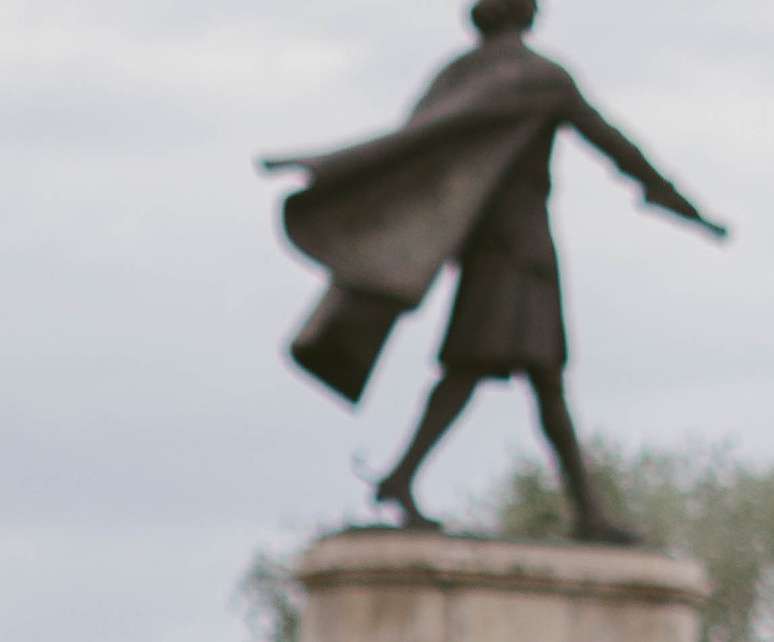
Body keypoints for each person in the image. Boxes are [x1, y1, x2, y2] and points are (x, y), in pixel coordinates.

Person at [264, 0, 725, 543]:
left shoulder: (458, 74)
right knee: (533, 373)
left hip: (483, 244)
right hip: (520, 245)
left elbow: (414, 148)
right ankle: (581, 511)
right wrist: (679, 203)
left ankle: (410, 477)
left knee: (492, 370)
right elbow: (614, 146)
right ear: (527, 14)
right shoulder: (541, 76)